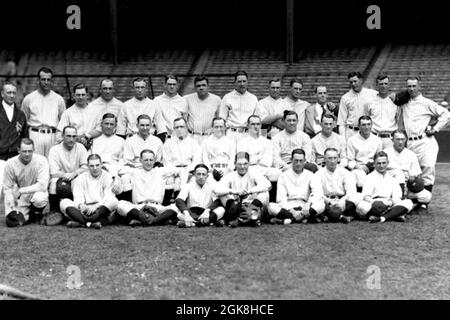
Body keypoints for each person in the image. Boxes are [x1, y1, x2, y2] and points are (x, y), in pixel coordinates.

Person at [400, 76, 450, 212]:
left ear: (419, 86)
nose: (411, 89)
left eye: (414, 86)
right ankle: (413, 200)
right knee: (411, 173)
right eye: (409, 86)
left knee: (427, 169)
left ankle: (424, 203)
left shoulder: (426, 102)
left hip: (425, 141)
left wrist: (435, 128)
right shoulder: (404, 103)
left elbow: (446, 114)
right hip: (410, 142)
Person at [116, 149, 181, 227]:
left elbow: (181, 170)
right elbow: (116, 169)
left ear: (154, 160)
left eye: (151, 160)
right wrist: (116, 179)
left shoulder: (160, 172)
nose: (149, 163)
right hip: (139, 207)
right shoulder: (134, 172)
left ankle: (150, 221)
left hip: (157, 208)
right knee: (120, 204)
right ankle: (156, 220)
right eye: (146, 160)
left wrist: (177, 182)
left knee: (176, 207)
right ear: (140, 160)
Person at [59, 154, 119, 229]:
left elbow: (108, 197)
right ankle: (90, 224)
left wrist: (96, 206)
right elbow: (78, 197)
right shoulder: (81, 178)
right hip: (85, 209)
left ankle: (81, 222)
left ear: (101, 165)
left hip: (100, 208)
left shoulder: (107, 177)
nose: (95, 168)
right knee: (64, 202)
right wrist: (81, 206)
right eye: (92, 166)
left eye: (97, 165)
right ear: (87, 166)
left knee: (114, 201)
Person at [267, 149, 325, 224]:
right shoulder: (283, 176)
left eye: (301, 161)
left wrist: (308, 204)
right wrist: (292, 211)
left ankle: (289, 220)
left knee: (321, 204)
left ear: (305, 161)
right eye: (296, 160)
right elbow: (281, 198)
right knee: (271, 207)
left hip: (305, 206)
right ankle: (306, 218)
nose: (298, 163)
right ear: (291, 160)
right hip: (289, 206)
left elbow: (316, 192)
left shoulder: (311, 175)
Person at [214, 152, 271, 227]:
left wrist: (249, 191)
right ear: (235, 164)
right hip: (235, 206)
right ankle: (250, 219)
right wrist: (233, 192)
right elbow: (216, 189)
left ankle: (238, 219)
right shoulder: (230, 175)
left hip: (252, 205)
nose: (242, 167)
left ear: (249, 164)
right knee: (222, 194)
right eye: (239, 164)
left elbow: (267, 185)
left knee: (265, 193)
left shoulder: (254, 173)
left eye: (245, 164)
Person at [356, 151, 414, 223]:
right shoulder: (369, 177)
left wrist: (389, 203)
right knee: (362, 207)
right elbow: (366, 196)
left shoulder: (392, 178)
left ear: (387, 163)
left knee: (408, 202)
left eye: (384, 163)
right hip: (373, 203)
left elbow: (397, 196)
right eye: (378, 163)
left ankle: (382, 218)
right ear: (374, 164)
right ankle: (393, 215)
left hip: (388, 203)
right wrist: (375, 203)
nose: (381, 166)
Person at [2, 138, 49, 227]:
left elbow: (42, 186)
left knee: (40, 198)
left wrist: (21, 190)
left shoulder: (42, 160)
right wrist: (12, 204)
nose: (27, 154)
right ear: (18, 150)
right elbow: (7, 187)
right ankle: (29, 214)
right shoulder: (10, 163)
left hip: (35, 192)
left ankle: (36, 213)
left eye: (30, 151)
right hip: (19, 196)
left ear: (34, 150)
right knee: (14, 221)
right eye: (24, 151)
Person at [21, 67, 66, 157]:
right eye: (43, 79)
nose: (46, 82)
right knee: (36, 164)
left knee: (52, 165)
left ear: (51, 81)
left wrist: (60, 138)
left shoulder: (59, 99)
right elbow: (23, 121)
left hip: (53, 136)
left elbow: (63, 121)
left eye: (48, 79)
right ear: (38, 80)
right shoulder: (29, 98)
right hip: (35, 134)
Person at [47, 126, 88, 224]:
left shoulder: (81, 147)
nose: (71, 139)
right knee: (53, 184)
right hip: (60, 177)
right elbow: (53, 172)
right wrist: (66, 175)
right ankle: (55, 212)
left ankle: (77, 212)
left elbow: (85, 167)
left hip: (77, 177)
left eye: (74, 136)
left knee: (79, 181)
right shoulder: (54, 150)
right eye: (68, 136)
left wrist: (74, 174)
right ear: (62, 136)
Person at [384, 130, 432, 213]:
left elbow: (417, 174)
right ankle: (399, 204)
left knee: (427, 196)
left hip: (407, 187)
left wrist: (414, 178)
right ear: (392, 140)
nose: (400, 142)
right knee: (399, 173)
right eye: (397, 139)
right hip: (390, 186)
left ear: (406, 140)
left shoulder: (411, 154)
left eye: (402, 139)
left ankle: (406, 203)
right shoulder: (386, 153)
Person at [315, 148, 362, 224]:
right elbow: (317, 192)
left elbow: (351, 191)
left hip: (342, 202)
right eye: (329, 158)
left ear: (338, 159)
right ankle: (341, 216)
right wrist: (329, 202)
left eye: (335, 158)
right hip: (326, 202)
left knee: (357, 196)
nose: (332, 161)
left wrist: (342, 200)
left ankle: (330, 216)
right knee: (317, 202)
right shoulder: (318, 174)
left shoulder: (346, 173)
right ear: (324, 159)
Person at [162, 117, 201, 199]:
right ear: (173, 129)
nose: (179, 129)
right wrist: (176, 172)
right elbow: (167, 161)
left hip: (189, 172)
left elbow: (196, 161)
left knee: (192, 184)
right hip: (173, 172)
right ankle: (167, 206)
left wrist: (186, 170)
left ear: (186, 128)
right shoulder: (168, 143)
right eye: (176, 127)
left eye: (181, 127)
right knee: (169, 183)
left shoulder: (193, 143)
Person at [236, 115, 281, 182]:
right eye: (253, 124)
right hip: (249, 169)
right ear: (248, 125)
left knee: (280, 173)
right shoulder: (242, 142)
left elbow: (267, 162)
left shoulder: (267, 142)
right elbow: (243, 161)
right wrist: (256, 160)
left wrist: (254, 159)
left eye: (258, 124)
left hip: (264, 170)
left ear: (260, 126)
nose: (256, 126)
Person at [219, 71, 260, 143]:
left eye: (244, 81)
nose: (242, 84)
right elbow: (222, 119)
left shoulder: (253, 98)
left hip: (248, 134)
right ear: (235, 82)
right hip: (231, 134)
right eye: (239, 81)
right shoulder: (227, 97)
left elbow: (256, 119)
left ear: (247, 82)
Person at [337, 72, 378, 140]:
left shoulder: (373, 94)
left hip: (367, 131)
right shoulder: (345, 98)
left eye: (355, 81)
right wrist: (342, 139)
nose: (353, 84)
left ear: (361, 80)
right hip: (351, 132)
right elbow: (341, 122)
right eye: (351, 82)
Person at [363, 73, 399, 149]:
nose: (383, 86)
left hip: (390, 139)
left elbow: (398, 120)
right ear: (377, 85)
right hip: (374, 137)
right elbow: (366, 119)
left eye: (386, 83)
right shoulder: (369, 102)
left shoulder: (395, 102)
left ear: (389, 85)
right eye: (381, 84)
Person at [57, 83, 98, 149]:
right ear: (74, 96)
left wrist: (87, 136)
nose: (81, 97)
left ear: (87, 95)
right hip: (74, 147)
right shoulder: (68, 112)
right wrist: (75, 138)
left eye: (83, 95)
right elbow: (60, 133)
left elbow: (100, 128)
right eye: (78, 95)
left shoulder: (95, 111)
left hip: (93, 146)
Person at [346, 116, 383, 190]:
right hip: (358, 168)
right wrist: (359, 167)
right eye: (364, 125)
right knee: (361, 177)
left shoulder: (377, 140)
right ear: (359, 126)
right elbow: (350, 160)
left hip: (373, 167)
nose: (366, 127)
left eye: (369, 124)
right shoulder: (352, 140)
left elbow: (379, 158)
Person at [184, 76, 221, 144]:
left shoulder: (216, 99)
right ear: (195, 87)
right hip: (192, 136)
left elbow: (219, 119)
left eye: (204, 85)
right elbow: (183, 119)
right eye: (198, 86)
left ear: (208, 86)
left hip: (209, 137)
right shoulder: (187, 99)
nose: (201, 88)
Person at [200, 117, 236, 181]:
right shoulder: (205, 142)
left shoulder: (231, 142)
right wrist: (211, 171)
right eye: (216, 127)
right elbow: (205, 159)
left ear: (225, 127)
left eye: (221, 126)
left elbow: (232, 160)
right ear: (212, 128)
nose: (219, 129)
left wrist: (227, 171)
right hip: (211, 172)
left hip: (227, 171)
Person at [153, 74, 188, 141]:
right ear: (165, 85)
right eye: (169, 84)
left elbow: (185, 120)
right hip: (162, 137)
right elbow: (155, 120)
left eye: (174, 84)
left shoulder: (183, 101)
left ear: (177, 85)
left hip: (178, 136)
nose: (172, 86)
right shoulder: (157, 100)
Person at [0, 81, 28, 161]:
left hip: (16, 157)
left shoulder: (21, 114)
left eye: (14, 93)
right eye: (9, 93)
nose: (12, 95)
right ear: (2, 94)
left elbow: (25, 136)